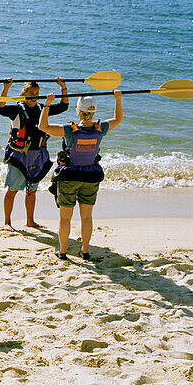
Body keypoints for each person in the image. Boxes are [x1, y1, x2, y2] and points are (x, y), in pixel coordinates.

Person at [39, 90, 123, 260]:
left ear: (78, 111)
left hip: (69, 177)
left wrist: (47, 104)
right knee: (86, 216)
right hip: (90, 177)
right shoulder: (101, 127)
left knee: (65, 217)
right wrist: (118, 99)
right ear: (93, 112)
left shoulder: (69, 130)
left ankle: (62, 252)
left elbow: (43, 126)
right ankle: (84, 251)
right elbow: (118, 119)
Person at [0, 78, 69, 230]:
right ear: (24, 93)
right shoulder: (17, 109)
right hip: (19, 155)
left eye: (37, 93)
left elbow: (64, 106)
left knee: (32, 190)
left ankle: (30, 221)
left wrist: (63, 87)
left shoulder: (43, 108)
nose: (34, 96)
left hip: (37, 154)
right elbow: (0, 109)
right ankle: (7, 222)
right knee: (13, 189)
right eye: (31, 93)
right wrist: (6, 88)